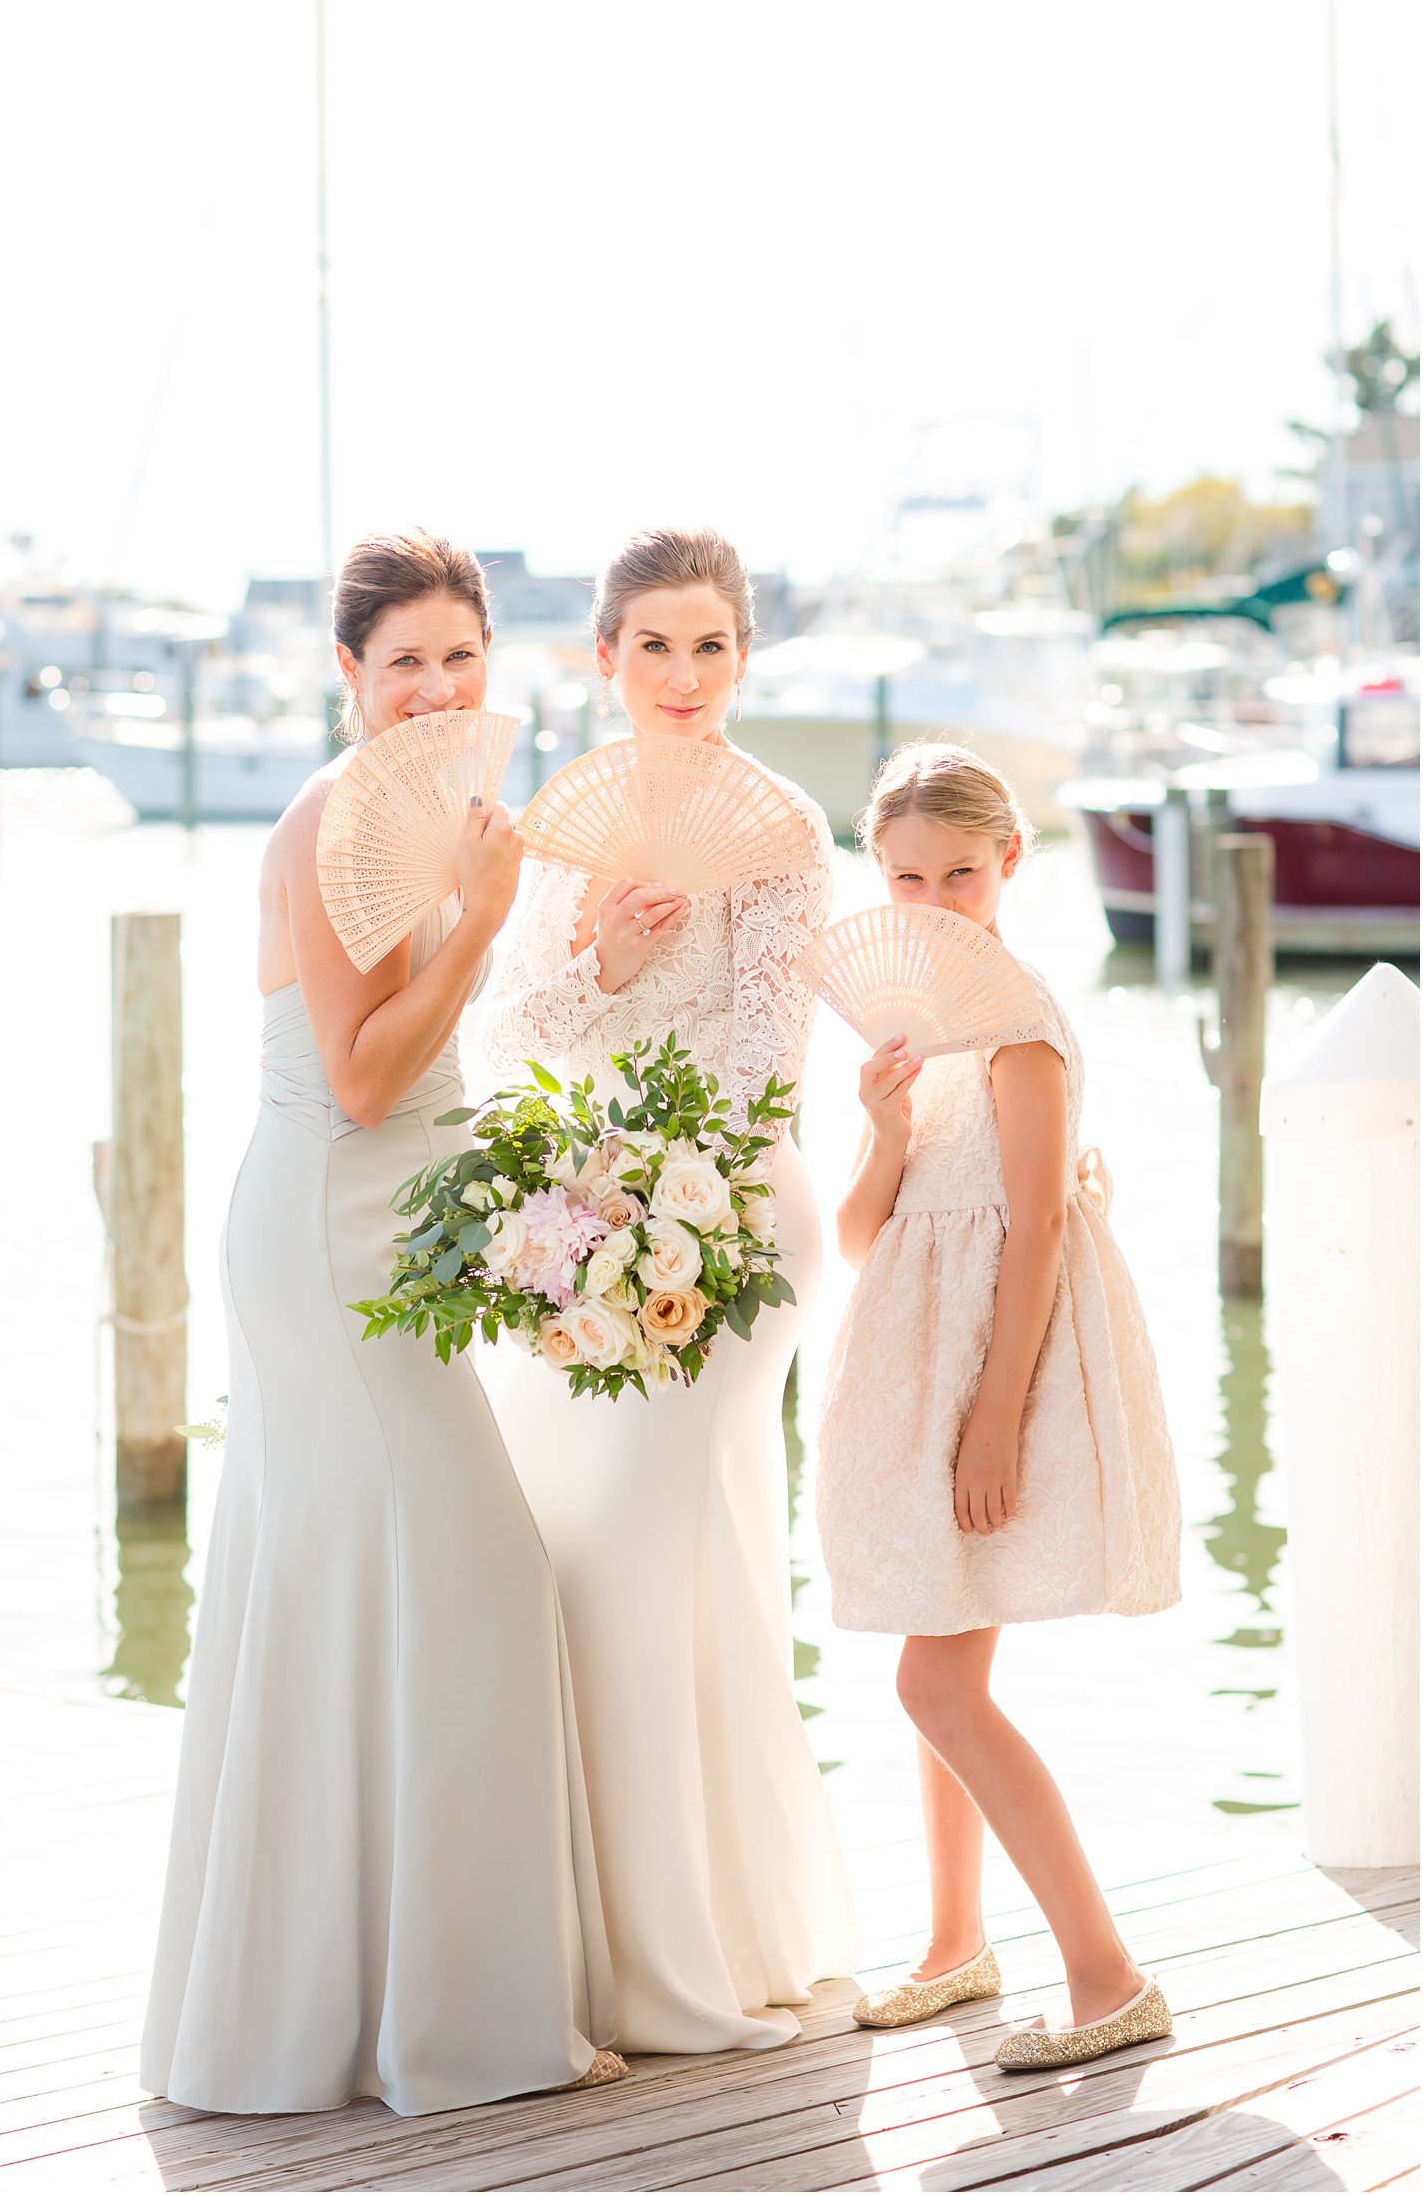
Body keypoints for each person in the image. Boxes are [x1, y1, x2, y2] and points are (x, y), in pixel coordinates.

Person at [141, 530, 621, 2117]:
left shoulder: (446, 822)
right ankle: (448, 2023)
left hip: (390, 1233)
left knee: (350, 1589)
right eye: (403, 659)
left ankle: (339, 2008)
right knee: (481, 1576)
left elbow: (441, 1062)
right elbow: (358, 1080)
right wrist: (482, 921)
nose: (436, 686)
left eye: (461, 658)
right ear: (346, 672)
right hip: (333, 1238)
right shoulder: (340, 817)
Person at [480, 525, 857, 2055]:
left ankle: (684, 1952)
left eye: (712, 646)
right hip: (585, 1223)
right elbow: (504, 1045)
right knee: (573, 1540)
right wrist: (606, 975)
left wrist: (654, 1194)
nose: (685, 676)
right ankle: (587, 1931)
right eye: (656, 646)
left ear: (744, 656)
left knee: (651, 1527)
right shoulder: (563, 834)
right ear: (605, 660)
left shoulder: (783, 828)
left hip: (733, 1223)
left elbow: (774, 1063)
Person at [817, 742, 1181, 2072]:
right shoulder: (913, 1038)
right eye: (906, 876)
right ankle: (954, 1944)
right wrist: (887, 1126)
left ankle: (1106, 1969)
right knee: (934, 1657)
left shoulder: (1021, 1029)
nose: (933, 900)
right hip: (911, 1370)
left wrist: (994, 1416)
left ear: (1009, 864)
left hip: (988, 1373)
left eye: (959, 873)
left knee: (937, 1678)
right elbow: (863, 1238)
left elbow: (1033, 1235)